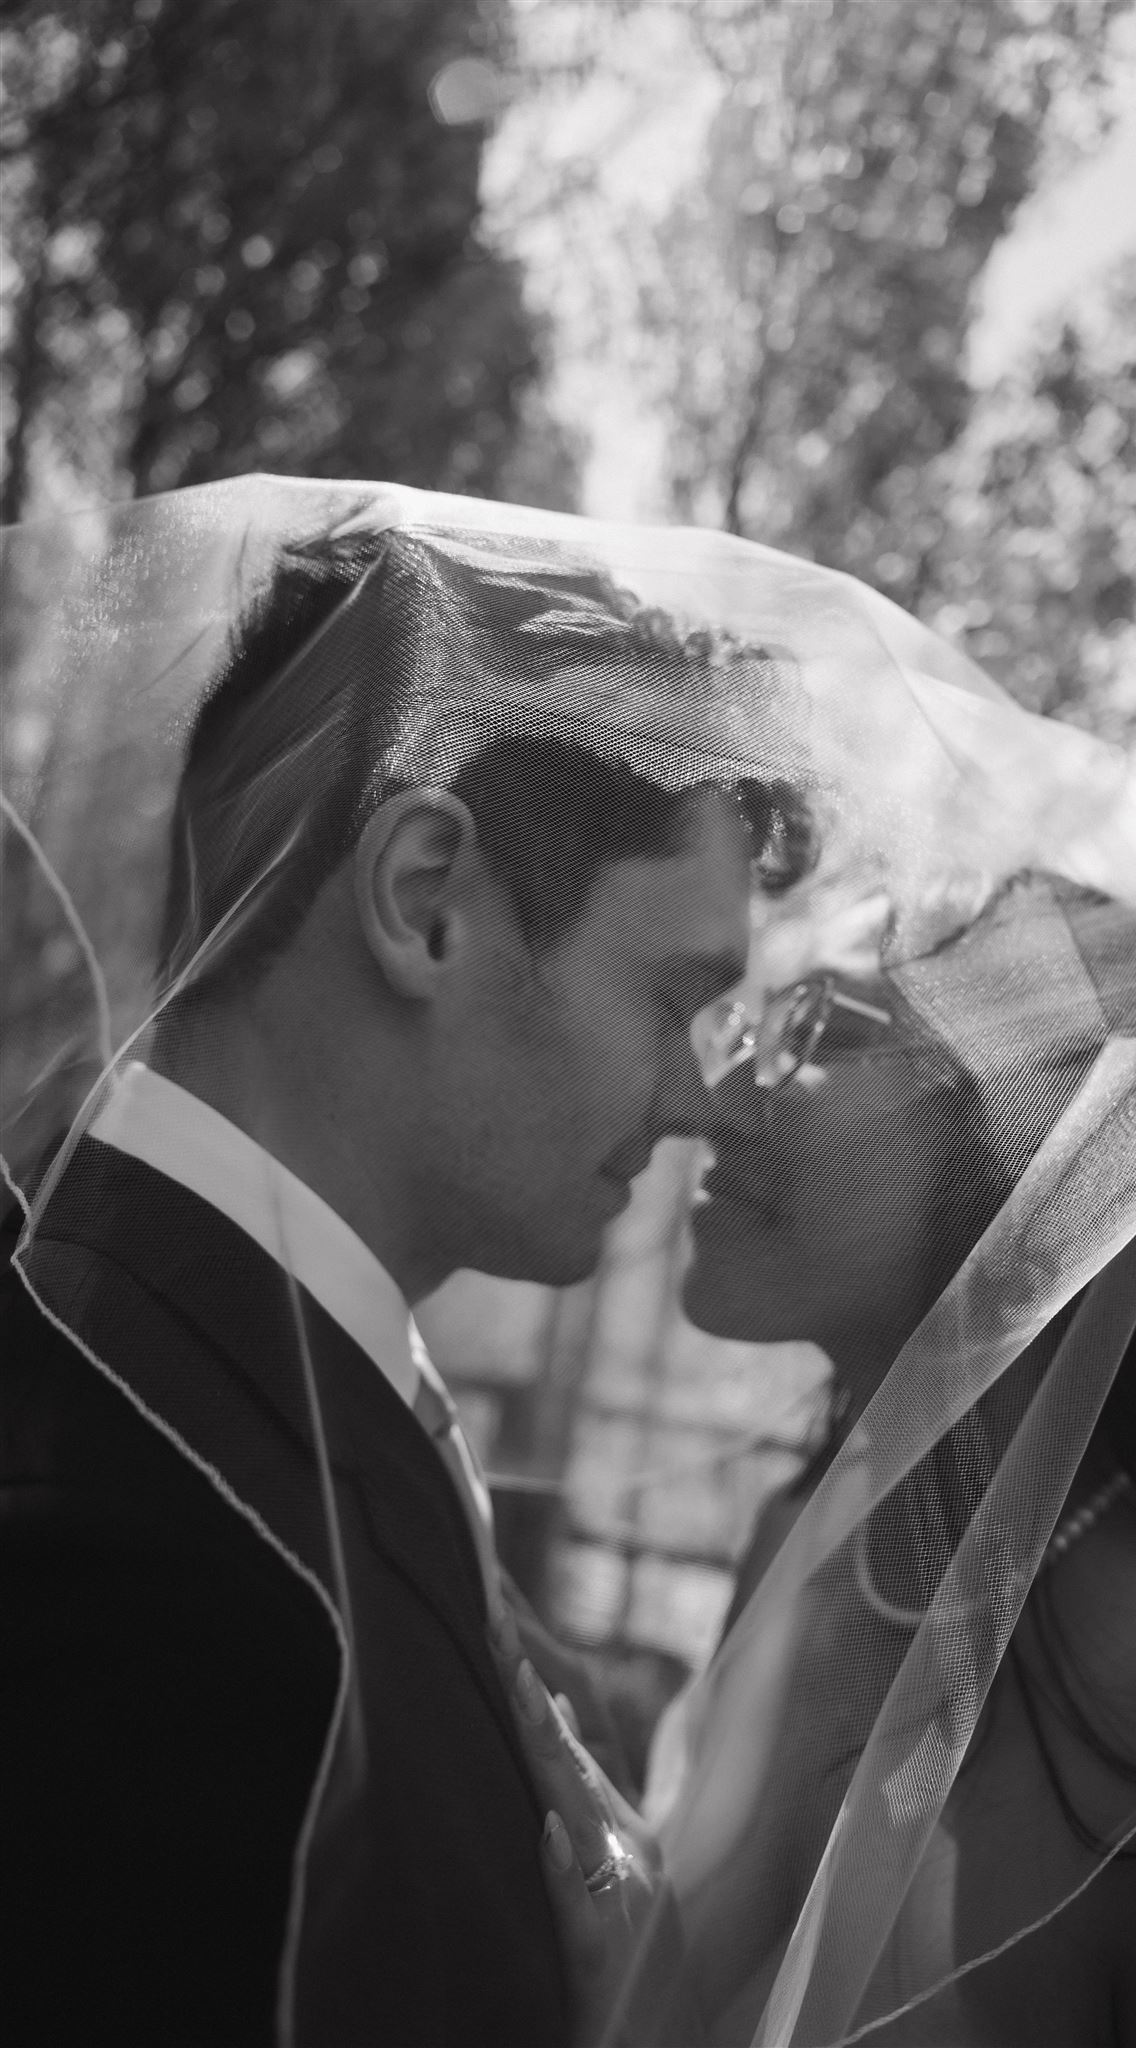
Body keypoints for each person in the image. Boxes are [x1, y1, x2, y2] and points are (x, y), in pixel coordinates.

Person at [0, 513, 812, 2047]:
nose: (702, 1101)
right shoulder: (137, 1560)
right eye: (674, 995)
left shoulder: (266, 1380)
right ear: (426, 896)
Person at [661, 877, 1136, 2045]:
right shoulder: (813, 1550)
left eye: (822, 1029)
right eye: (756, 1022)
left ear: (1049, 1158)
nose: (710, 1098)